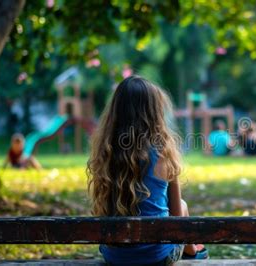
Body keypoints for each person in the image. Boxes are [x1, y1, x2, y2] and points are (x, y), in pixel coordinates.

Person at [87, 76, 207, 265]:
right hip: (157, 257)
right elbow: (177, 219)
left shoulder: (106, 153)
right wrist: (190, 249)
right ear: (154, 113)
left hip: (115, 257)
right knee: (182, 205)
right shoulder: (163, 153)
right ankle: (192, 251)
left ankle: (191, 250)